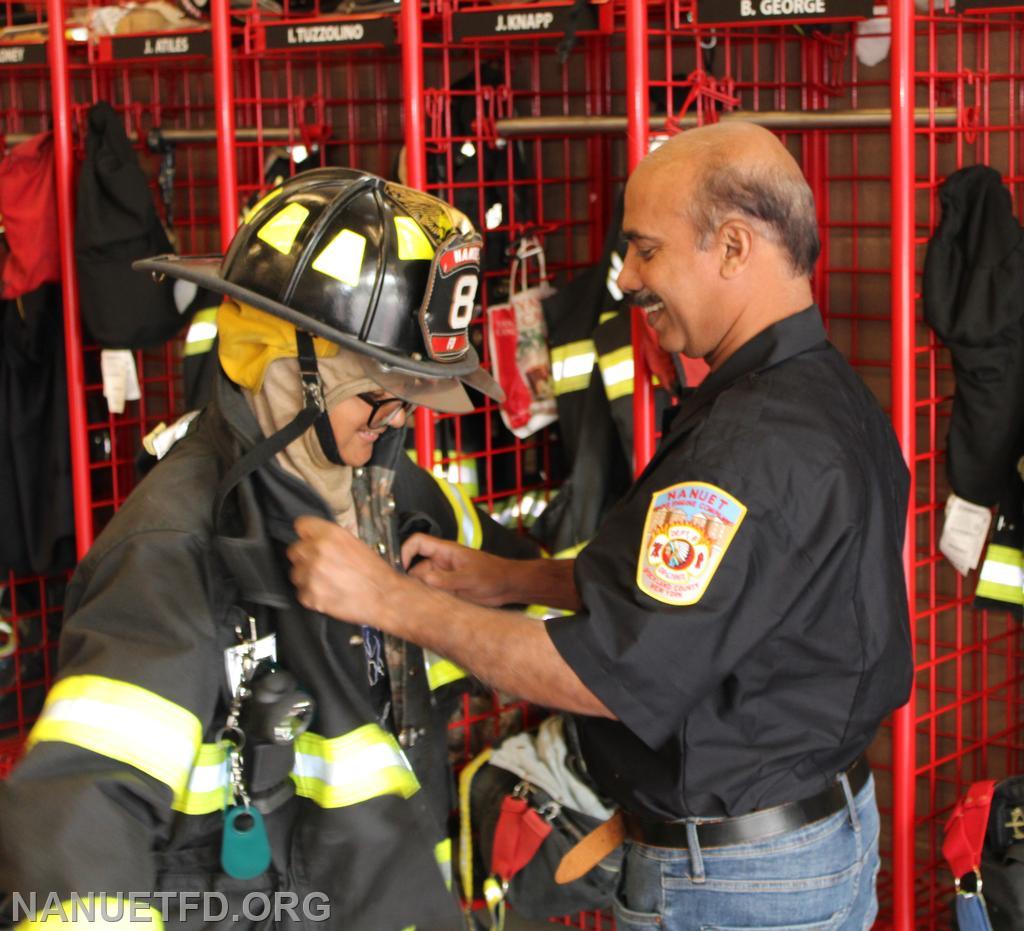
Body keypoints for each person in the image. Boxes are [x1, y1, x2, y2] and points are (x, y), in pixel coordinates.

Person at [286, 124, 914, 930]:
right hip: (799, 839)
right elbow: (707, 595)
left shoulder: (752, 444)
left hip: (734, 882)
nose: (624, 279)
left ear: (731, 248)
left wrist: (385, 601)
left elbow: (604, 674)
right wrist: (509, 578)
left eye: (646, 250)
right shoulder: (817, 395)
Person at [0, 168, 538, 931]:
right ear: (291, 369)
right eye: (379, 389)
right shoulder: (174, 550)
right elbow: (78, 825)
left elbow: (534, 605)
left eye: (410, 394)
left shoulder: (399, 495)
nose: (395, 419)